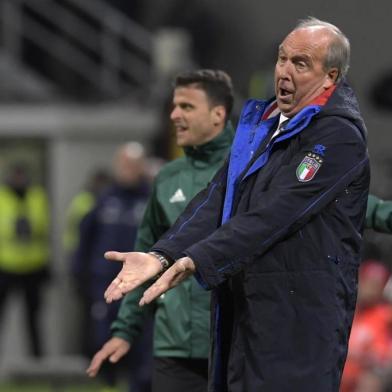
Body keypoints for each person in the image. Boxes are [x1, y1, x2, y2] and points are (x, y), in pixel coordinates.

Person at [102, 17, 370, 392]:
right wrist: (162, 254)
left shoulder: (338, 137)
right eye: (282, 59)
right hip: (246, 313)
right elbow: (216, 199)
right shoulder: (265, 126)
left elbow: (275, 213)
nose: (285, 71)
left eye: (301, 63)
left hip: (299, 324)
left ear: (330, 77)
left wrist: (199, 258)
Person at [87, 69, 234, 392]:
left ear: (217, 114)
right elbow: (145, 258)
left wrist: (374, 213)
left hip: (233, 342)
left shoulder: (249, 169)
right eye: (173, 106)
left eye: (186, 106)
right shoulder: (167, 178)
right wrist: (125, 331)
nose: (174, 115)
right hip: (174, 345)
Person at [73, 143, 151, 391]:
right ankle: (106, 382)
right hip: (104, 286)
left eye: (134, 165)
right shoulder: (104, 200)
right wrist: (80, 276)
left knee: (140, 344)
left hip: (140, 288)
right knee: (102, 339)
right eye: (124, 164)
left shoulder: (151, 199)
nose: (128, 170)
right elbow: (84, 240)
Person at [0, 163, 50, 357]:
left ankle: (37, 363)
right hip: (6, 266)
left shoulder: (37, 196)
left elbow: (43, 227)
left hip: (33, 267)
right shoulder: (2, 197)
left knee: (34, 320)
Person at [340, 260, 392, 392]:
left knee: (370, 380)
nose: (370, 288)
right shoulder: (343, 309)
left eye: (376, 284)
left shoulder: (385, 315)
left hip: (359, 379)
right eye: (368, 281)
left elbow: (381, 357)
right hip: (335, 373)